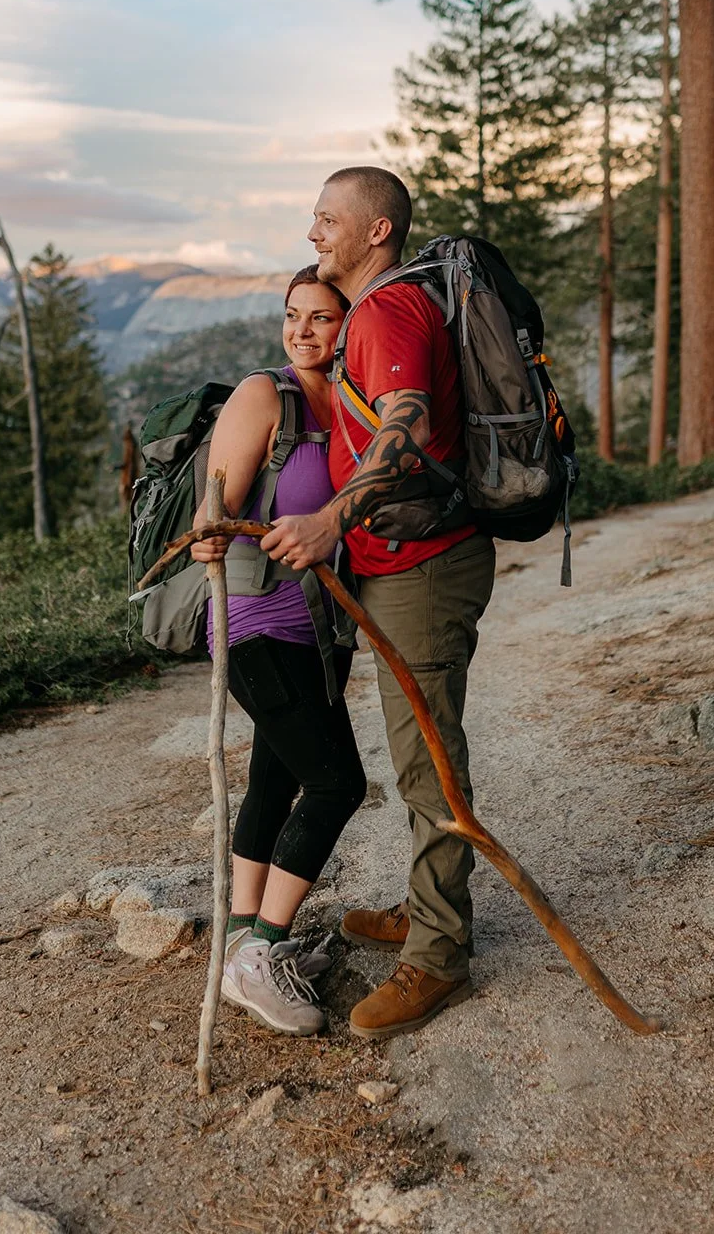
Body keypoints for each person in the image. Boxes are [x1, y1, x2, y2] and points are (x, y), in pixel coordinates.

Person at [260, 166, 495, 1040]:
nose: (313, 232)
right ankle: (426, 908)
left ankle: (437, 956)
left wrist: (329, 518)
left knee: (426, 760)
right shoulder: (368, 314)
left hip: (424, 568)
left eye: (327, 219)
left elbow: (400, 426)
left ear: (376, 232)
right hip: (402, 564)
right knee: (414, 751)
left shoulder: (390, 311)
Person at [190, 266, 367, 1037]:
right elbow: (214, 496)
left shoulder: (352, 403)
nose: (302, 331)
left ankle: (238, 933)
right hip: (259, 624)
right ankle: (260, 954)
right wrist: (208, 526)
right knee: (336, 784)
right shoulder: (266, 394)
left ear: (348, 327)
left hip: (321, 628)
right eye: (292, 316)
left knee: (275, 776)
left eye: (321, 318)